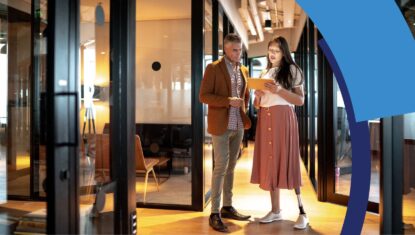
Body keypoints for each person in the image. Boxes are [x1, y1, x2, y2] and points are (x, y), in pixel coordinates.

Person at [250, 36, 309, 229]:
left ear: (284, 52)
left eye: (276, 50)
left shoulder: (293, 70)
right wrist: (257, 97)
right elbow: (259, 104)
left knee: (288, 159)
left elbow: (300, 100)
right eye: (270, 50)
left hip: (283, 118)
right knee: (270, 162)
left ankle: (302, 211)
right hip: (265, 118)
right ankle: (276, 210)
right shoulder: (265, 72)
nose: (272, 53)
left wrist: (278, 90)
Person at [199, 33, 252, 233]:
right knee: (220, 166)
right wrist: (228, 101)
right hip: (220, 124)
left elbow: (244, 95)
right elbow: (203, 96)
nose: (238, 53)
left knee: (231, 166)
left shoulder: (244, 69)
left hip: (237, 124)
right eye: (235, 50)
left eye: (240, 50)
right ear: (226, 50)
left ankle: (227, 206)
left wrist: (244, 104)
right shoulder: (213, 68)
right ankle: (214, 212)